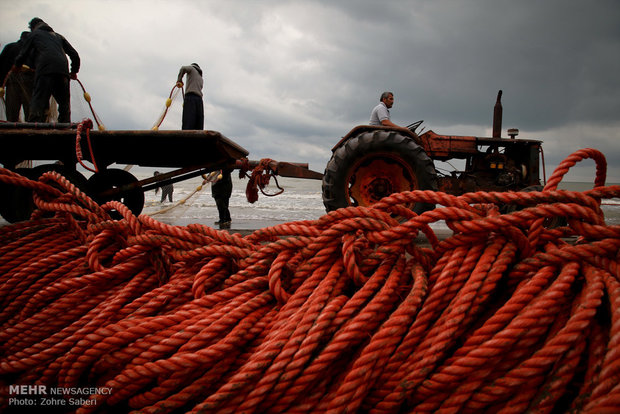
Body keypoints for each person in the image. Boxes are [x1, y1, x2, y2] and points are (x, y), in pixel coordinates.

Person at [14, 17, 80, 123]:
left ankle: (33, 130)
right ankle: (65, 129)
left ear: (32, 28)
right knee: (64, 105)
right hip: (63, 72)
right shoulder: (59, 37)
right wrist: (73, 72)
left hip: (45, 71)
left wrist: (17, 66)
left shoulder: (34, 35)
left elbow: (23, 53)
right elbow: (74, 55)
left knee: (38, 102)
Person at [0, 32, 35, 121]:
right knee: (30, 114)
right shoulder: (33, 49)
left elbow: (1, 66)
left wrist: (1, 85)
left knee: (12, 114)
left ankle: (11, 132)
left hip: (12, 83)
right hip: (30, 83)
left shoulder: (10, 47)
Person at [176, 63, 204, 130]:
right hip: (199, 101)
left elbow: (183, 68)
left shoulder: (192, 68)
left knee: (188, 123)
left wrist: (179, 80)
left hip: (190, 97)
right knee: (198, 126)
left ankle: (185, 139)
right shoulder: (201, 78)